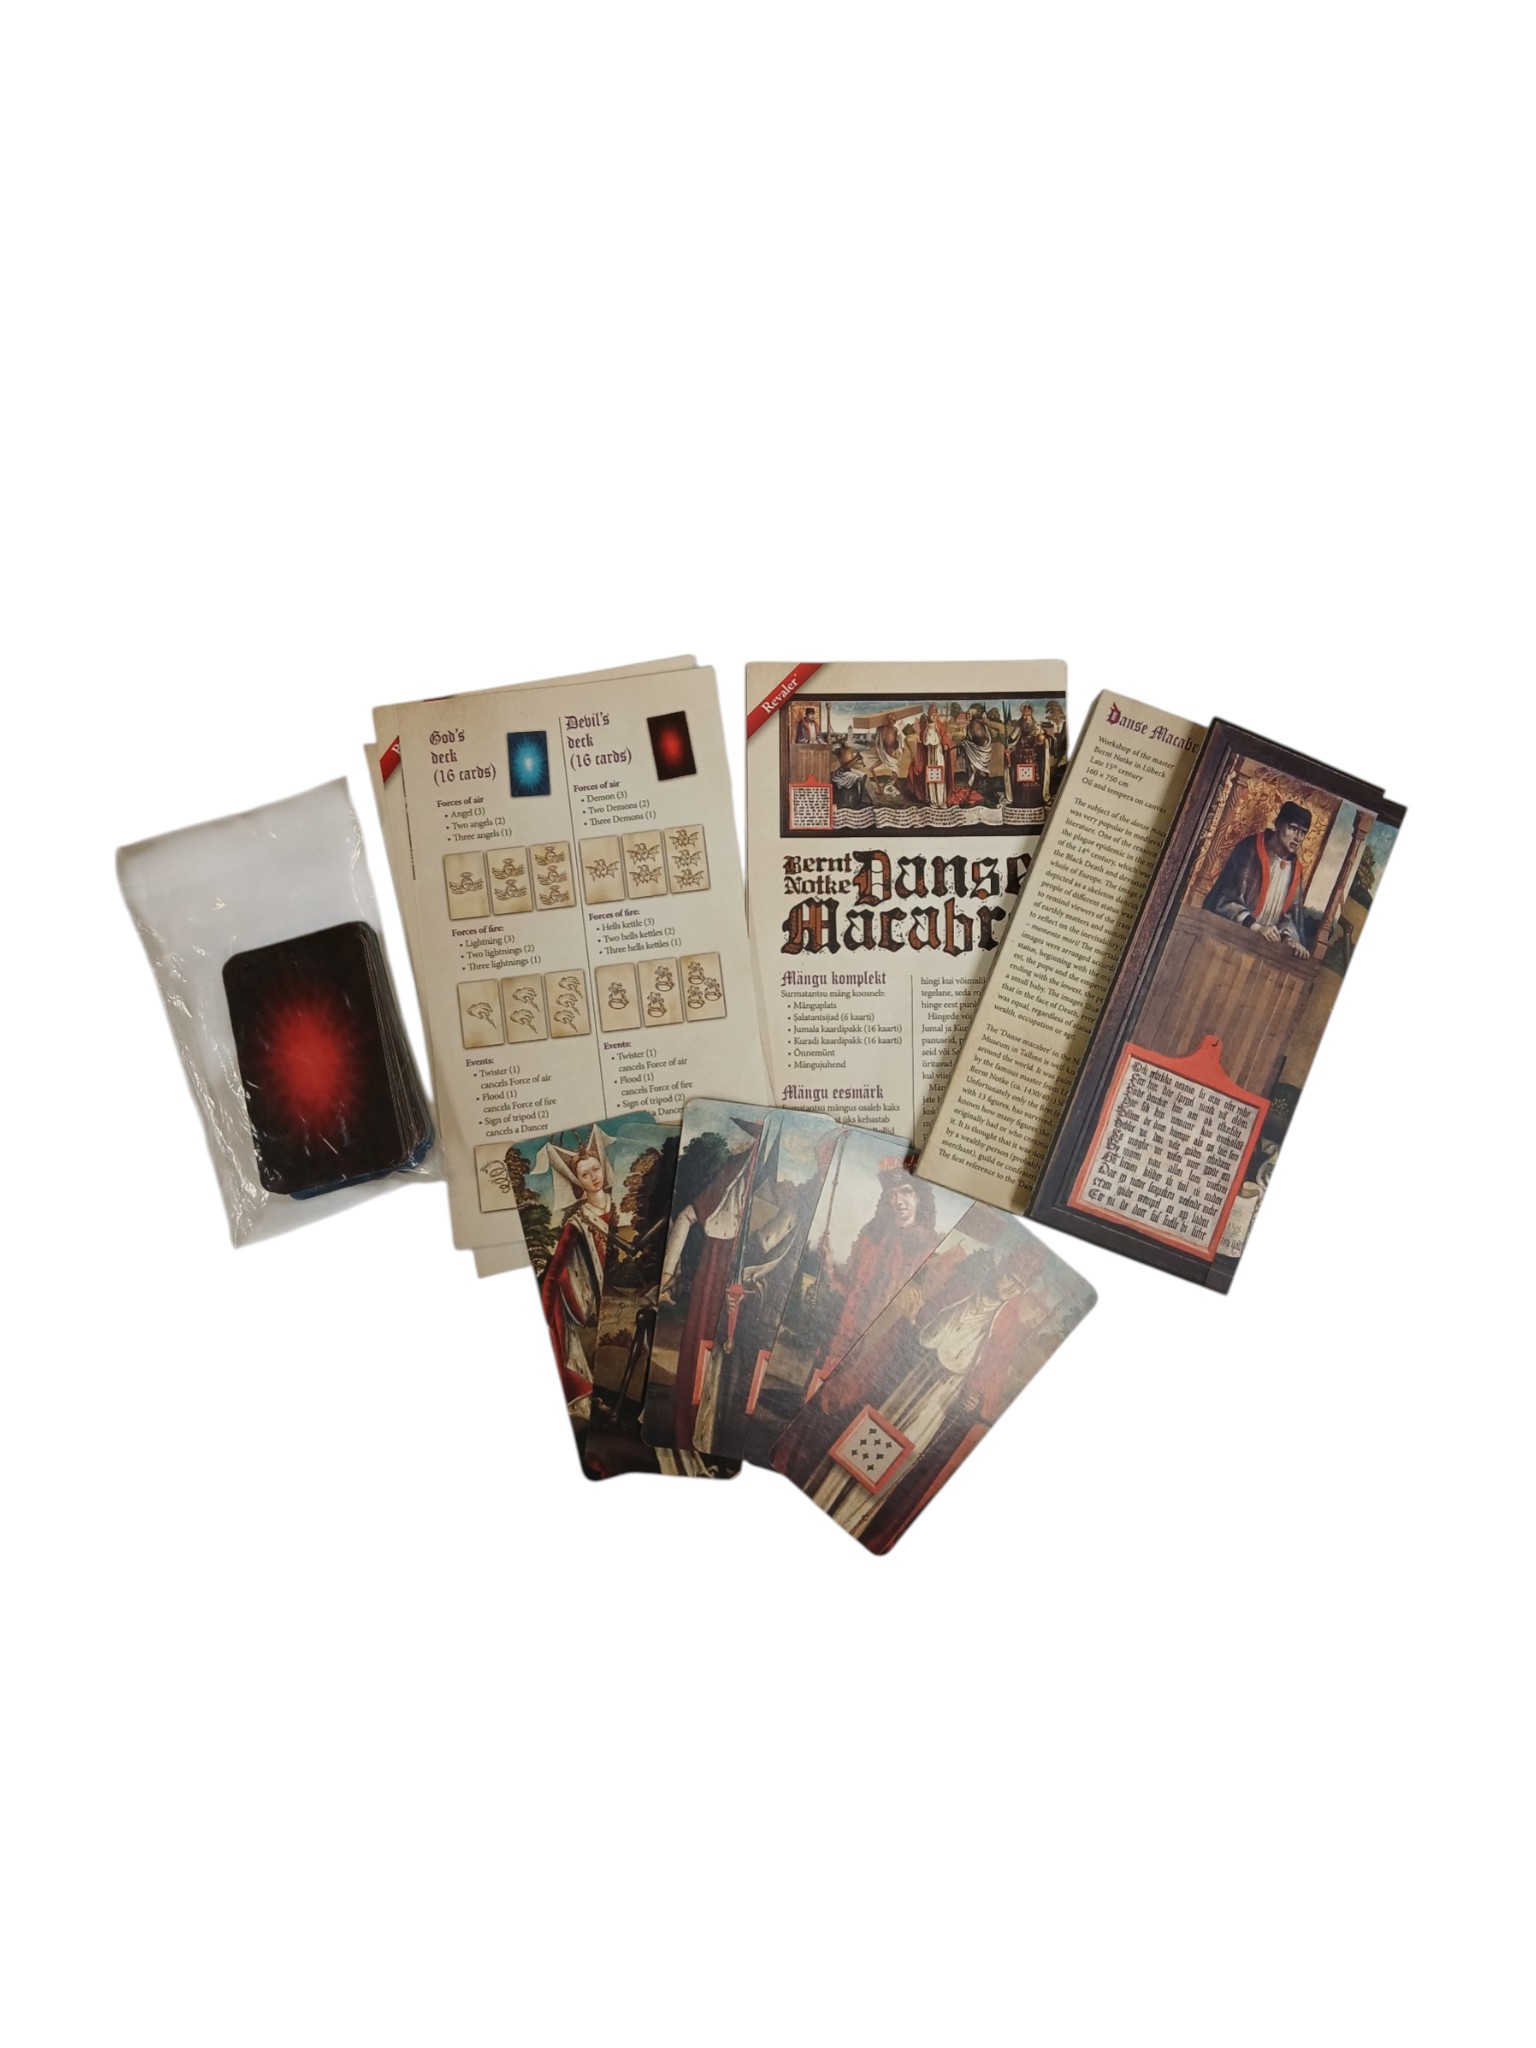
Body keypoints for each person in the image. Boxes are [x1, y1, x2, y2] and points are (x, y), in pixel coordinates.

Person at [538, 1128, 616, 1420]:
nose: (594, 1177)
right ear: (577, 1181)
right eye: (585, 1174)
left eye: (596, 1169)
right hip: (597, 1295)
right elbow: (555, 1269)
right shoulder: (577, 1221)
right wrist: (546, 1312)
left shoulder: (620, 1206)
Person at [1204, 800, 1313, 955]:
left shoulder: (1296, 869)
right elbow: (1224, 901)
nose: (1298, 838)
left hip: (1267, 948)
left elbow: (1288, 917)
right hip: (1232, 937)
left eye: (1303, 833)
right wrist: (1257, 927)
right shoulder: (1250, 849)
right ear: (1279, 824)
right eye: (1293, 829)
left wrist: (1289, 938)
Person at [907, 704, 952, 807]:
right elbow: (922, 739)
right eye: (932, 715)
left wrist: (945, 744)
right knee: (931, 776)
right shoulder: (925, 726)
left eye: (936, 715)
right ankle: (933, 800)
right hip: (929, 755)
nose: (934, 717)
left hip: (938, 753)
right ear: (929, 715)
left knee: (940, 775)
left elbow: (944, 735)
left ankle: (941, 800)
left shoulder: (939, 725)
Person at [830, 743, 870, 809]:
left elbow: (849, 765)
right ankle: (861, 800)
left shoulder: (847, 751)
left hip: (847, 770)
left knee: (863, 776)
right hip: (841, 773)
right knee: (858, 779)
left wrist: (856, 758)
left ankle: (863, 799)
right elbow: (846, 765)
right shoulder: (842, 753)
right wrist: (856, 758)